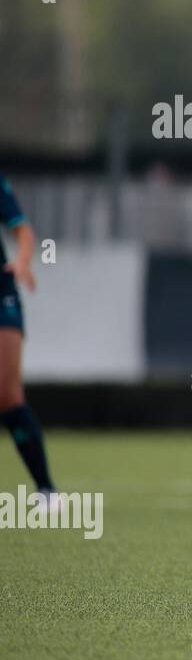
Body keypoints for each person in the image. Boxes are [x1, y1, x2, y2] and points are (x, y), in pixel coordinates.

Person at [0, 174, 58, 507]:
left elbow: (22, 230)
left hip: (2, 291)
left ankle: (47, 491)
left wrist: (21, 262)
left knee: (7, 394)